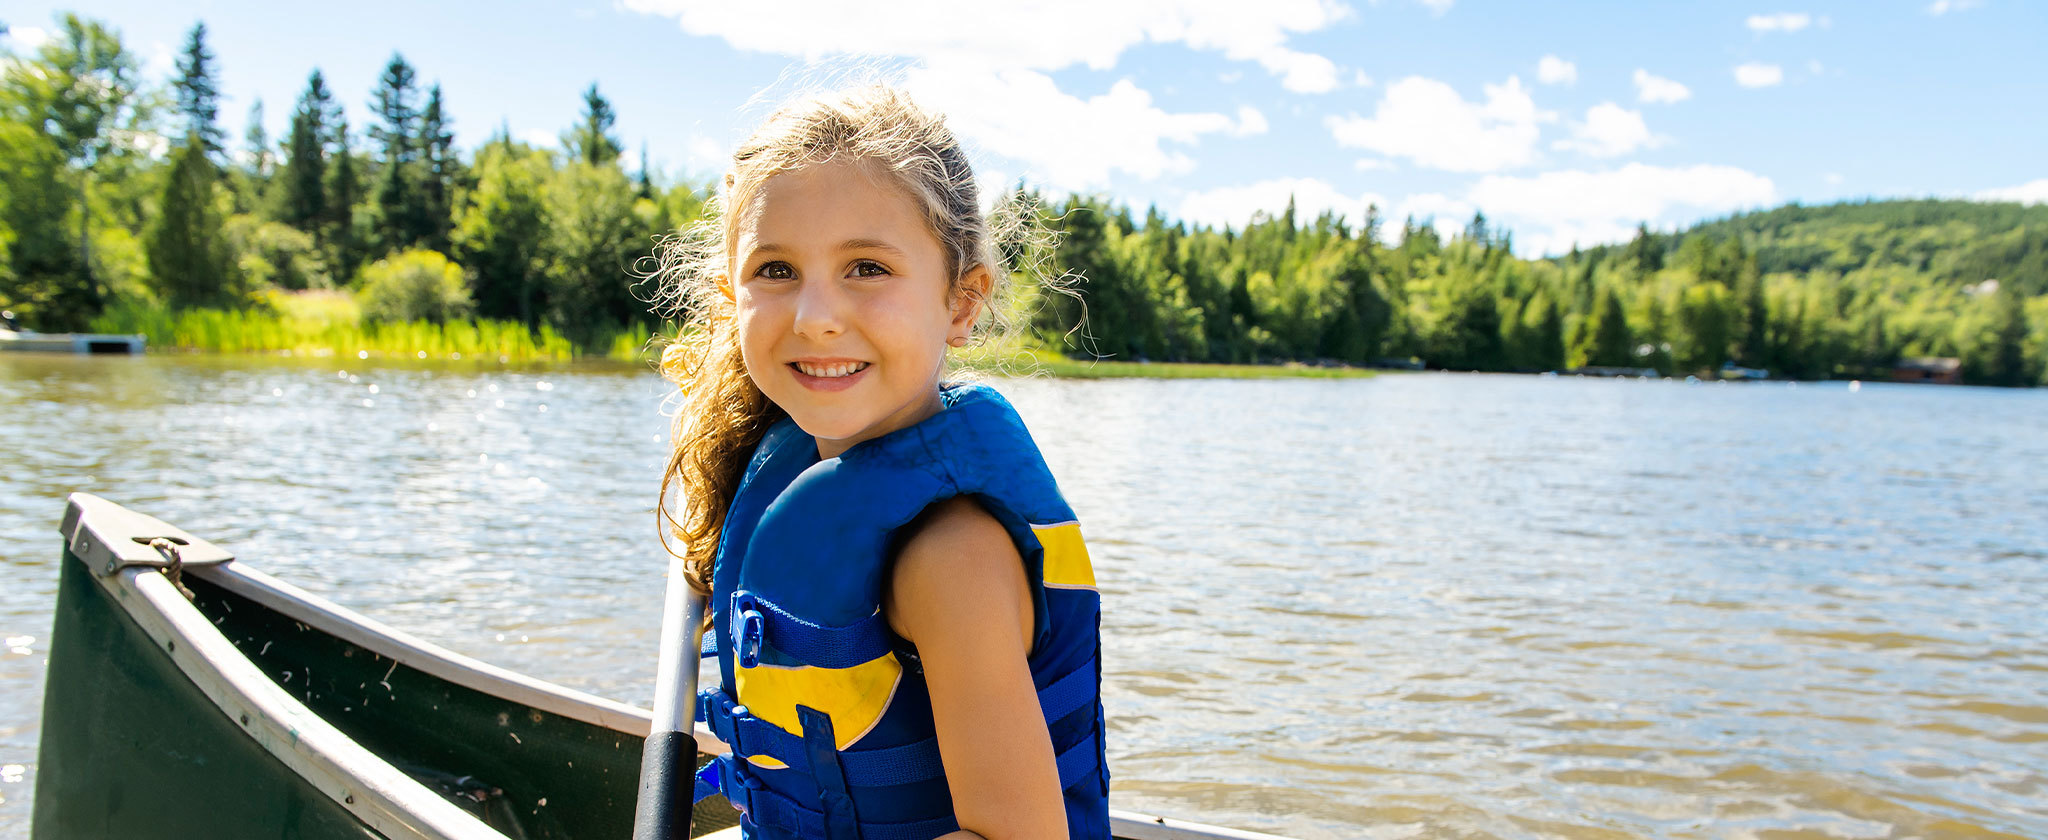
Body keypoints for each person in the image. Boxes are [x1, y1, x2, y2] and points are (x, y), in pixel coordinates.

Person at [654, 86, 1109, 840]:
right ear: (730, 301)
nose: (816, 315)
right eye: (775, 270)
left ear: (961, 304)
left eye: (866, 267)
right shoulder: (781, 476)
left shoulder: (951, 557)